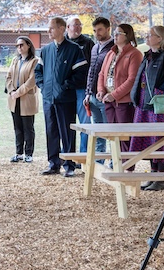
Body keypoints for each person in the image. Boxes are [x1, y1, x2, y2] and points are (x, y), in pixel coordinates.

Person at [36, 17, 88, 177]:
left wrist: (65, 86)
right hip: (48, 99)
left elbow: (81, 74)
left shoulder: (74, 50)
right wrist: (44, 87)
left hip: (66, 99)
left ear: (61, 29)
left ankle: (69, 164)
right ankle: (53, 163)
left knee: (67, 132)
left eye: (51, 28)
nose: (48, 31)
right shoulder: (45, 50)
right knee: (51, 131)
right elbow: (38, 72)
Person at [128, 25, 164, 190]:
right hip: (143, 102)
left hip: (157, 103)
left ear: (160, 38)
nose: (147, 37)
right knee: (148, 138)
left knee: (159, 139)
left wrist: (157, 93)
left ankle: (161, 178)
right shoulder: (147, 55)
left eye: (150, 35)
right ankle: (153, 174)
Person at [96, 23, 142, 158]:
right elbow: (102, 74)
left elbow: (132, 79)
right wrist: (101, 90)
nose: (115, 35)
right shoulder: (111, 53)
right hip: (108, 101)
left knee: (124, 137)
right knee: (113, 136)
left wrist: (114, 95)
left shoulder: (134, 54)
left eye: (119, 33)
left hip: (124, 102)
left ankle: (127, 168)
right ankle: (116, 164)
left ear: (127, 36)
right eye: (115, 32)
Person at [5, 36, 40, 163]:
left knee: (28, 127)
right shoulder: (15, 60)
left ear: (28, 45)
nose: (19, 48)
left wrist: (18, 93)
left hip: (27, 99)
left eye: (22, 45)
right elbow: (8, 77)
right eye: (17, 46)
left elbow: (32, 81)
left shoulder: (35, 61)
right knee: (17, 127)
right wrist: (12, 91)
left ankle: (29, 153)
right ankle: (18, 153)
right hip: (14, 99)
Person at [85, 17, 114, 155]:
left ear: (108, 29)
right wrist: (88, 93)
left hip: (106, 96)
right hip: (92, 96)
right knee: (98, 133)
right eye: (95, 30)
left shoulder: (114, 47)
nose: (97, 33)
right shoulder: (95, 47)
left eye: (100, 30)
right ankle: (98, 162)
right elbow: (91, 70)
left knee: (110, 131)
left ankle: (115, 162)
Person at [66, 15, 95, 153]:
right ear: (67, 27)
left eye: (79, 25)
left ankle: (84, 155)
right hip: (66, 90)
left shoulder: (88, 43)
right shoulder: (63, 43)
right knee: (66, 124)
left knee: (85, 123)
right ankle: (68, 154)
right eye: (74, 25)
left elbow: (93, 65)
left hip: (82, 89)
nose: (77, 27)